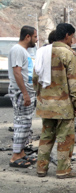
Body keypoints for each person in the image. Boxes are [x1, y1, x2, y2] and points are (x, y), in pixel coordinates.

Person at [34, 23, 76, 179]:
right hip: (63, 106)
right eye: (72, 37)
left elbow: (35, 79)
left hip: (45, 104)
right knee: (65, 138)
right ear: (67, 35)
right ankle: (63, 170)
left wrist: (41, 96)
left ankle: (41, 169)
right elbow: (74, 82)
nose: (72, 41)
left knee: (46, 137)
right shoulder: (68, 54)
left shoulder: (42, 52)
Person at [8, 26, 38, 168]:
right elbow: (17, 73)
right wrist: (25, 93)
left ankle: (21, 153)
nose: (36, 40)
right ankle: (15, 156)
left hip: (27, 91)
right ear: (28, 36)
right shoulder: (17, 50)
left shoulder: (23, 51)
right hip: (21, 92)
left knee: (26, 124)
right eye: (35, 37)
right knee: (21, 123)